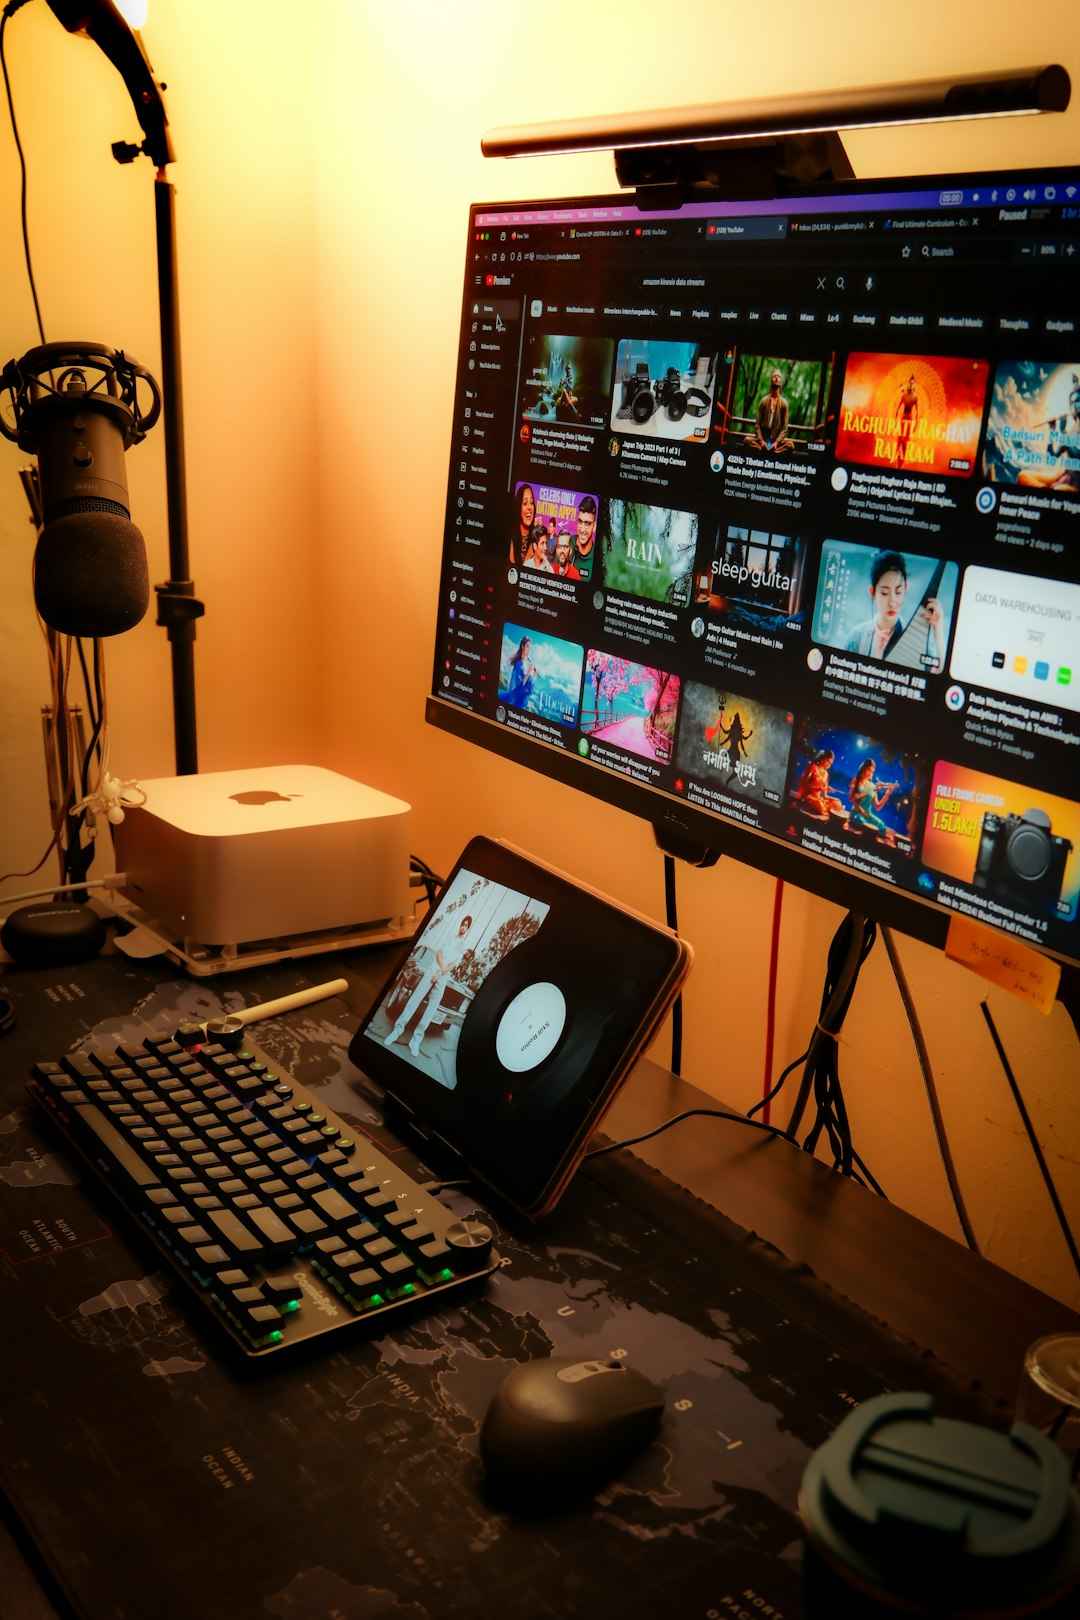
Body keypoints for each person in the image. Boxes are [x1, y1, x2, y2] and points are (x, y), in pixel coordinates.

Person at [384, 911, 474, 1056]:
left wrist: (442, 972)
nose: (463, 927)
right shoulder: (450, 937)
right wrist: (439, 969)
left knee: (431, 1009)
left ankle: (416, 1039)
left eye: (466, 926)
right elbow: (438, 953)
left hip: (444, 975)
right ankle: (397, 1030)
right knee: (414, 1000)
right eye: (463, 924)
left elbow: (454, 964)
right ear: (460, 925)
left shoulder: (463, 945)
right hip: (433, 969)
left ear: (468, 929)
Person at [843, 550, 945, 671]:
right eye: (884, 593)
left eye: (898, 592)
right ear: (872, 592)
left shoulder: (917, 640)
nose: (892, 602)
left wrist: (938, 632)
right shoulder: (856, 637)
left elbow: (936, 675)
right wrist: (875, 655)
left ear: (905, 588)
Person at [746, 367, 794, 452]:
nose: (776, 378)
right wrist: (761, 442)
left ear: (781, 382)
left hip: (775, 441)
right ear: (771, 380)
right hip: (763, 440)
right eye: (774, 376)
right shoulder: (763, 401)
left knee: (790, 445)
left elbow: (784, 427)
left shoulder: (784, 403)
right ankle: (765, 450)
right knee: (747, 440)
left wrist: (776, 443)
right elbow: (757, 424)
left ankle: (768, 452)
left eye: (778, 376)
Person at [847, 759, 897, 837]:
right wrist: (855, 797)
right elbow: (851, 798)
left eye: (872, 771)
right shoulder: (855, 781)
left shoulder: (872, 786)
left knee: (882, 826)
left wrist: (887, 794)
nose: (870, 773)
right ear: (864, 769)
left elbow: (878, 806)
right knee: (861, 822)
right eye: (868, 770)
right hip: (857, 814)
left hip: (868, 815)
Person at [793, 748, 843, 818]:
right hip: (807, 797)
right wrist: (818, 788)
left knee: (838, 803)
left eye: (830, 763)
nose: (829, 764)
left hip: (818, 799)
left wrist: (829, 791)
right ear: (823, 758)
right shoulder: (813, 767)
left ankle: (824, 808)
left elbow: (825, 796)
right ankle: (825, 808)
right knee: (819, 805)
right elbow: (803, 783)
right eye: (828, 761)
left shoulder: (826, 774)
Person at [502, 636, 537, 707]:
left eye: (530, 647)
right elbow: (518, 686)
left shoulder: (525, 664)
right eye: (527, 646)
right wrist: (528, 673)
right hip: (516, 700)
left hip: (522, 701)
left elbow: (529, 689)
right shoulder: (518, 664)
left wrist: (534, 675)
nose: (529, 650)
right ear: (522, 647)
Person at [570, 495, 597, 578]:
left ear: (594, 526)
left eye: (587, 524)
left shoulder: (597, 557)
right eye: (580, 522)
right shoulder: (566, 544)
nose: (582, 530)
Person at [511, 484, 536, 564]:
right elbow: (512, 569)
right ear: (518, 507)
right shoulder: (511, 535)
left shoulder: (536, 538)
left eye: (532, 503)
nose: (529, 507)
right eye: (525, 503)